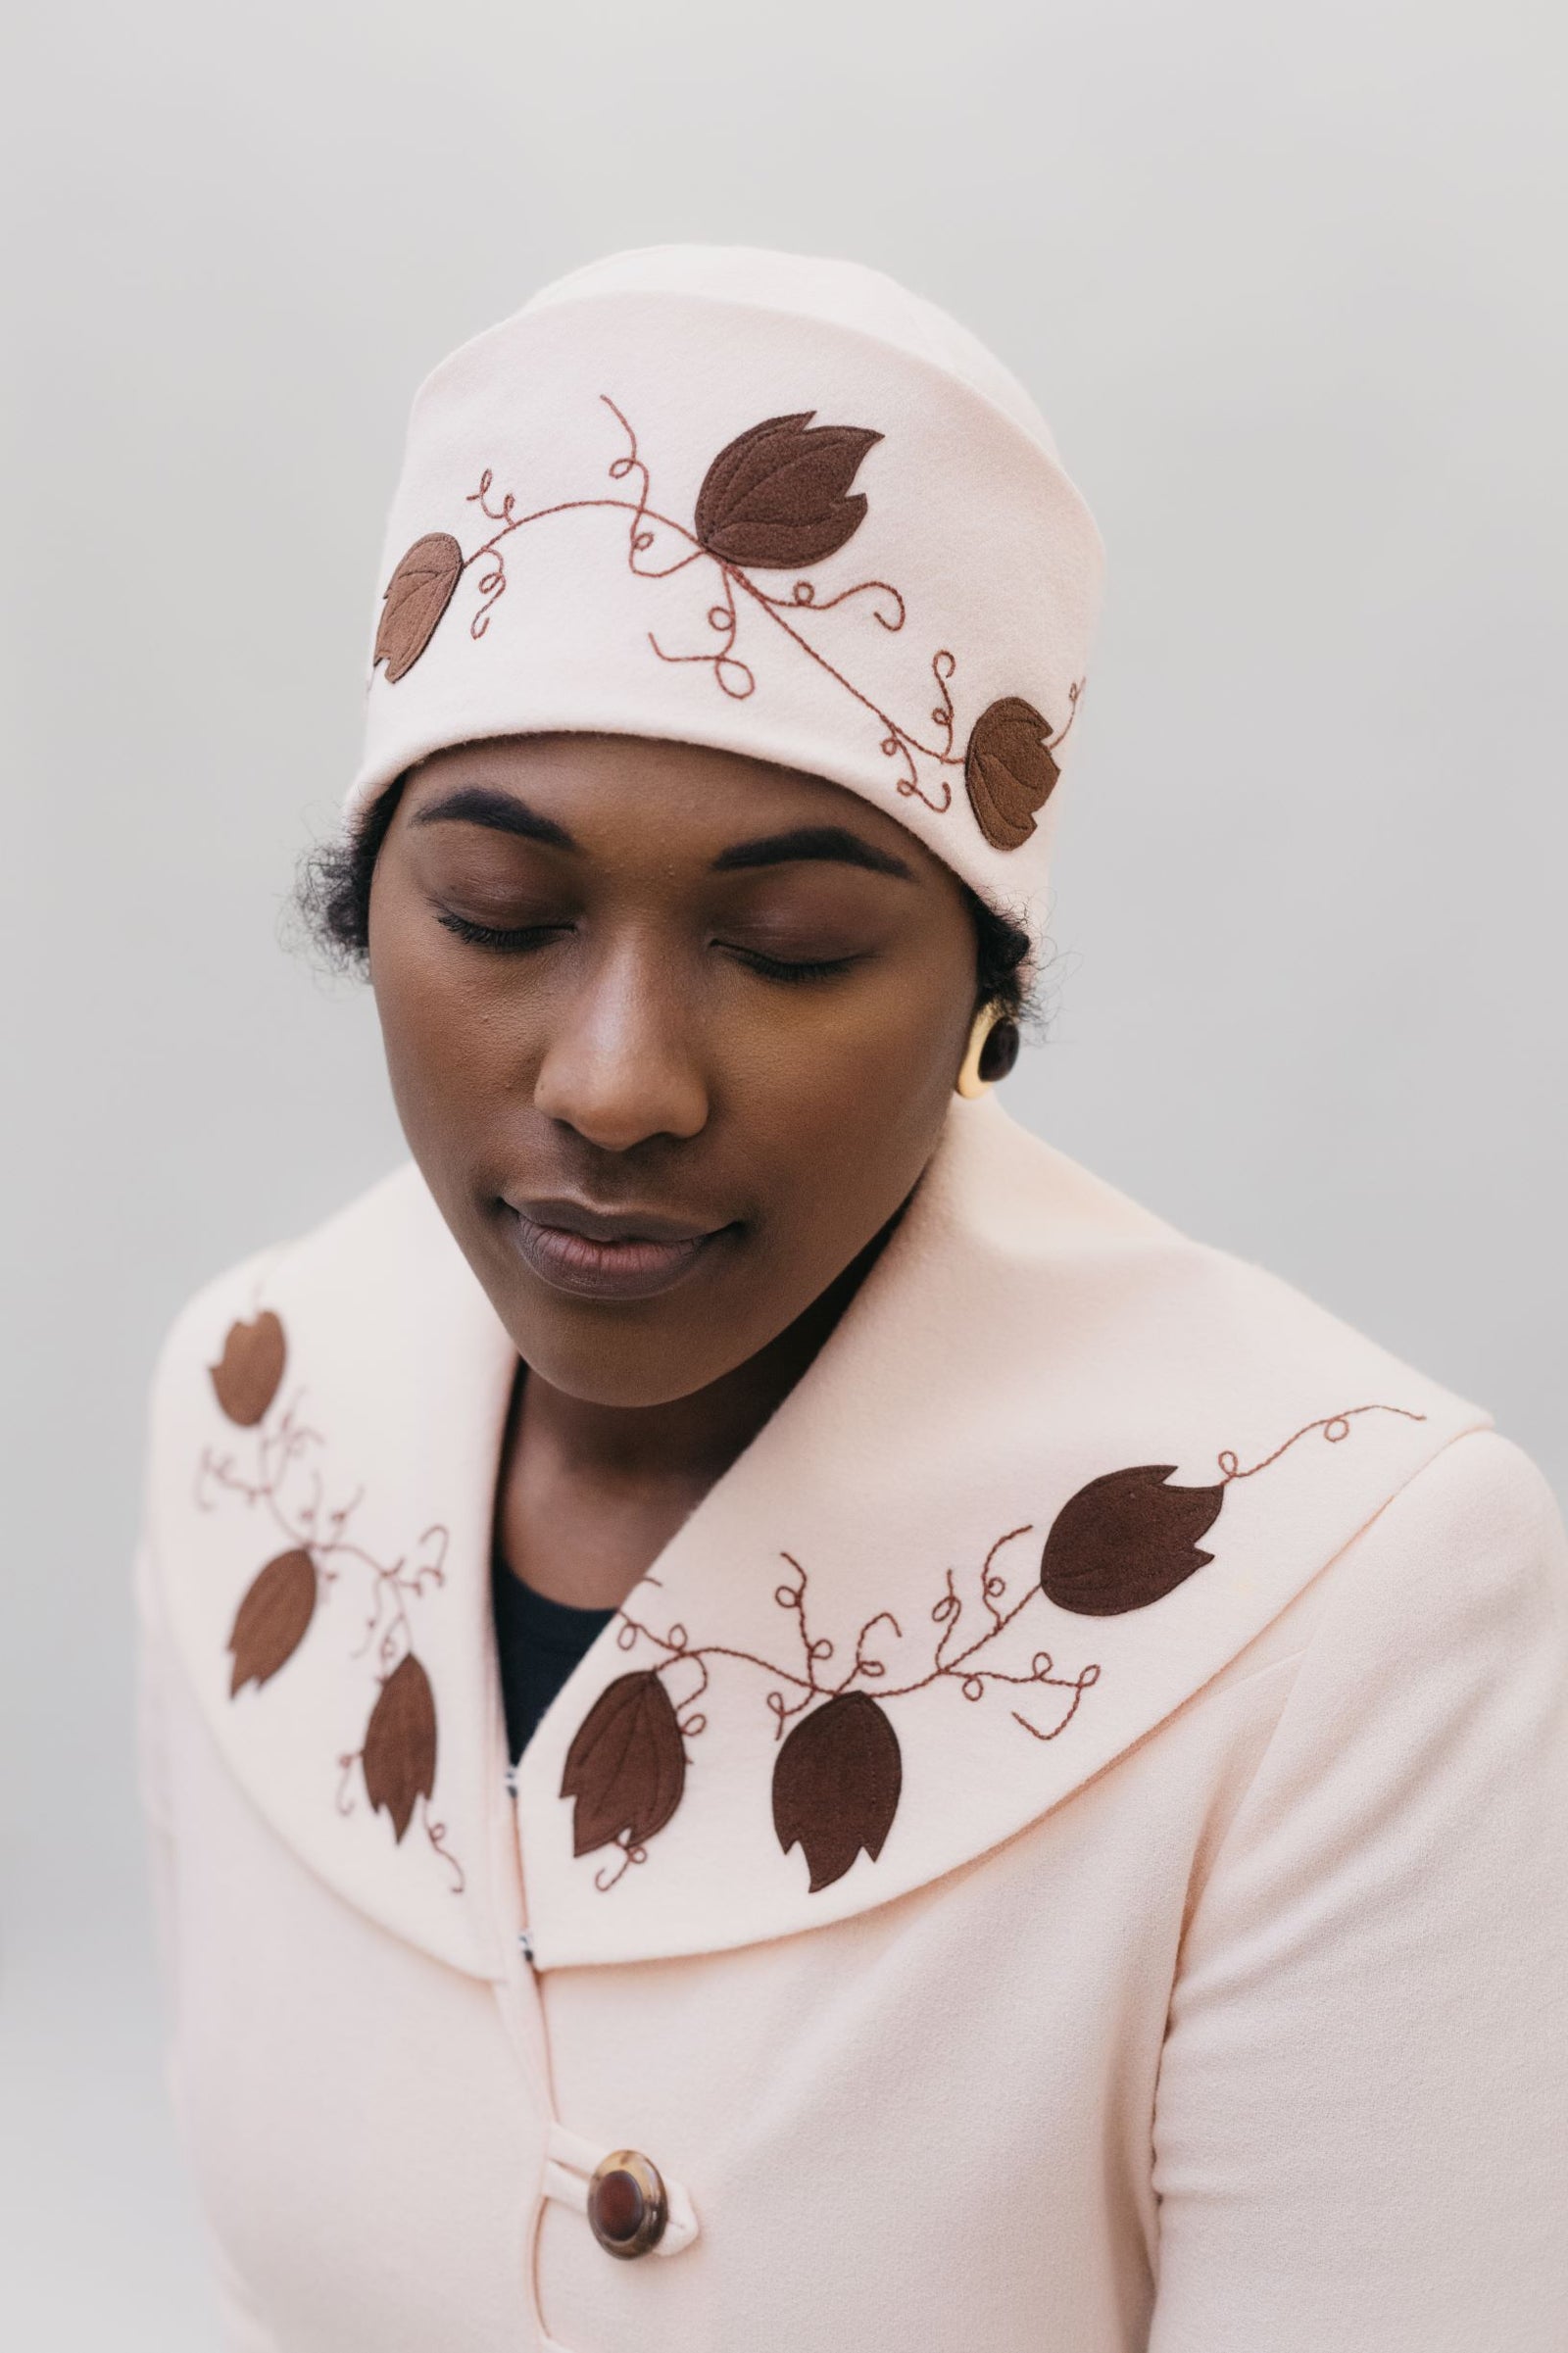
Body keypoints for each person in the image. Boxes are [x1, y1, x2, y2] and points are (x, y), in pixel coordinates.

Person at [135, 245, 1568, 2353]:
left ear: (986, 988)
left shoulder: (1349, 1588)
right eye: (500, 913)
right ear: (373, 911)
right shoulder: (252, 1414)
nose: (616, 1083)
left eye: (792, 946)